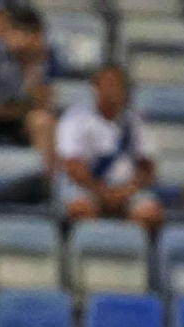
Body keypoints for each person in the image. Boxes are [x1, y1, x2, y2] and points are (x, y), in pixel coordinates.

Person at [55, 65, 162, 231]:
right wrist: (101, 192)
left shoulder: (136, 122)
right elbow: (73, 166)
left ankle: (131, 253)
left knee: (149, 215)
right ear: (95, 87)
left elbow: (146, 167)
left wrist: (125, 192)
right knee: (80, 210)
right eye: (107, 84)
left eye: (117, 85)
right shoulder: (75, 118)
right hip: (86, 187)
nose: (112, 90)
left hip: (127, 190)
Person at [0, 7, 57, 173]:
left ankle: (44, 181)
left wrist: (30, 69)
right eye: (22, 33)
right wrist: (9, 108)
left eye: (33, 34)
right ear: (10, 32)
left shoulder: (46, 57)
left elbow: (44, 105)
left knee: (43, 121)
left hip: (22, 121)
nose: (26, 40)